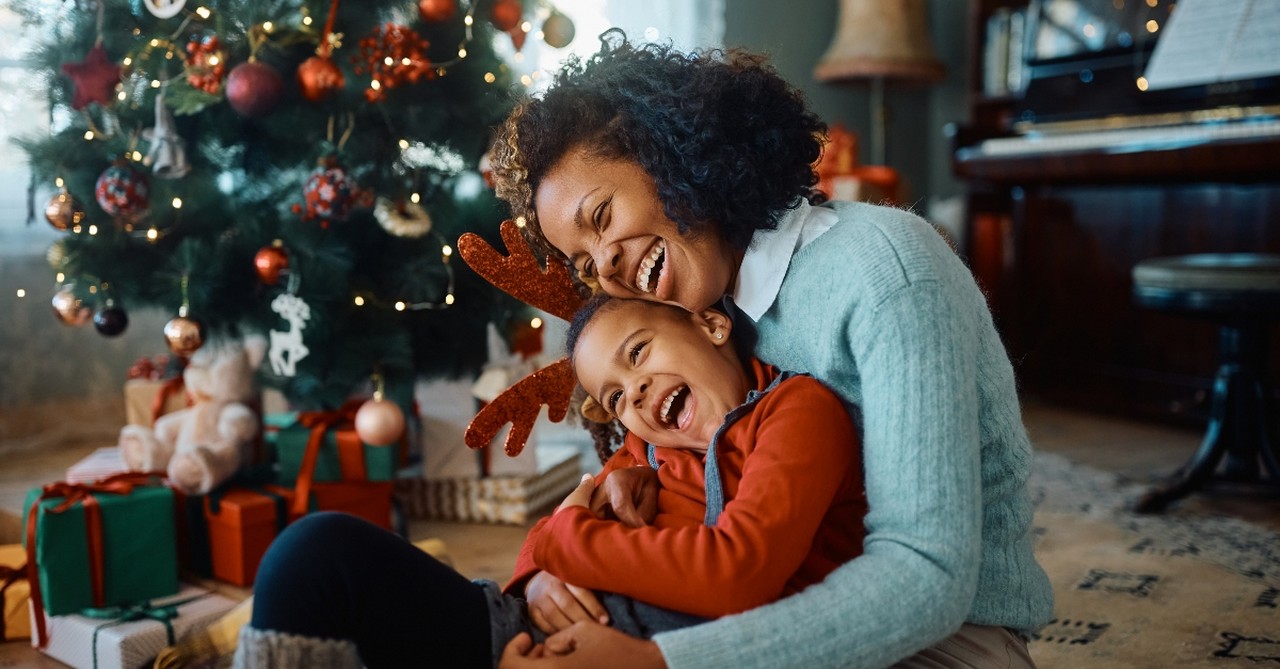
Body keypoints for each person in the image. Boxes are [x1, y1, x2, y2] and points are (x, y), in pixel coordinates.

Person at [489, 30, 1053, 669]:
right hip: (771, 604)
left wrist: (658, 663)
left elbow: (927, 579)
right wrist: (538, 572)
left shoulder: (887, 272)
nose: (608, 264)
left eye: (602, 217)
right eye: (585, 263)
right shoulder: (700, 307)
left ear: (666, 155)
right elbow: (621, 473)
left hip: (946, 640)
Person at [233, 293, 867, 668]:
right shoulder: (650, 445)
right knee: (312, 552)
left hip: (656, 652)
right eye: (615, 398)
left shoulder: (796, 410)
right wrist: (540, 572)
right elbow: (544, 539)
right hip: (528, 633)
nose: (636, 393)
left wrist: (568, 539)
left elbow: (740, 571)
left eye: (640, 351)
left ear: (711, 324)